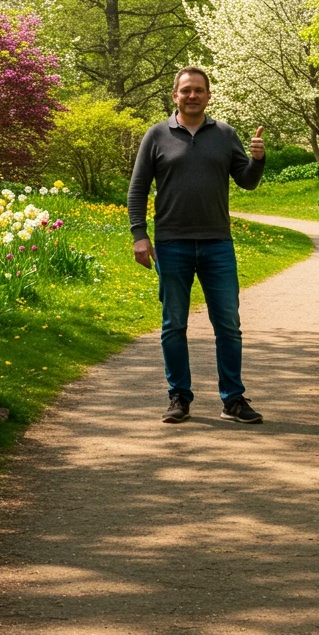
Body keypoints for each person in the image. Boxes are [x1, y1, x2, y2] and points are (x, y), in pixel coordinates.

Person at [127, 66, 266, 424]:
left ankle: (233, 399)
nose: (192, 95)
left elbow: (247, 182)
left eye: (199, 90)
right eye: (186, 90)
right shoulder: (156, 135)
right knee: (174, 324)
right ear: (175, 95)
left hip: (218, 243)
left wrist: (258, 160)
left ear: (208, 95)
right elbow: (138, 188)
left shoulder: (225, 134)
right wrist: (139, 235)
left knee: (228, 325)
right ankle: (179, 397)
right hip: (171, 244)